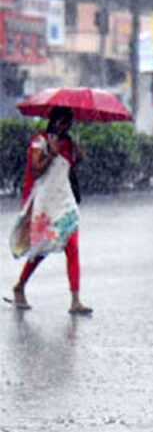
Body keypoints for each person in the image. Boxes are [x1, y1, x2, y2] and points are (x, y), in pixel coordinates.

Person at [10, 106, 91, 314]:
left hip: (65, 201)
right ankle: (20, 286)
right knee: (41, 250)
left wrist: (78, 156)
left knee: (72, 248)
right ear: (54, 121)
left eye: (68, 123)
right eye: (62, 122)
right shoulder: (41, 141)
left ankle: (75, 300)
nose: (65, 126)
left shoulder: (69, 144)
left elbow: (67, 171)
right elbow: (36, 170)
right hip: (46, 204)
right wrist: (51, 154)